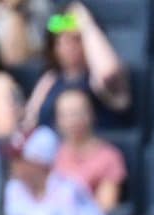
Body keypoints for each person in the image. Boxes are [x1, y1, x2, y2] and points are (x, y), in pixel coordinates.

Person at [20, 2, 129, 134]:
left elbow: (108, 72)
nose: (67, 47)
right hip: (55, 150)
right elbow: (29, 121)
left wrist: (87, 25)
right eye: (59, 41)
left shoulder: (97, 79)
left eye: (75, 39)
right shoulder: (49, 80)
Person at [48, 88, 124, 213]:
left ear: (91, 114)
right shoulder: (50, 154)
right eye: (65, 115)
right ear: (57, 120)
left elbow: (105, 208)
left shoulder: (109, 156)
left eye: (77, 113)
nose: (72, 120)